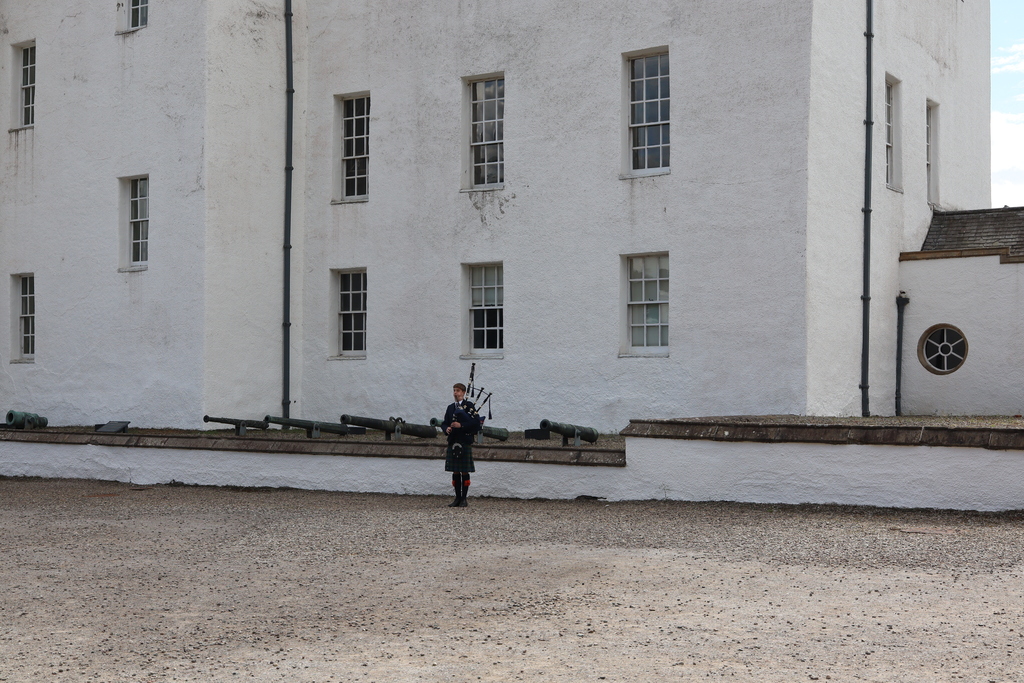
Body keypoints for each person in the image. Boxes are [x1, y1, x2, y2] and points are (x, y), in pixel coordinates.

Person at [442, 382, 481, 507]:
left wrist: (461, 425)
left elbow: (476, 423)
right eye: (454, 390)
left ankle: (464, 499)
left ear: (463, 393)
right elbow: (444, 423)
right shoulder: (450, 408)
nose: (455, 393)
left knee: (464, 471)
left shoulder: (469, 406)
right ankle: (457, 498)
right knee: (455, 471)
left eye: (458, 390)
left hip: (464, 441)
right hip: (453, 441)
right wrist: (446, 429)